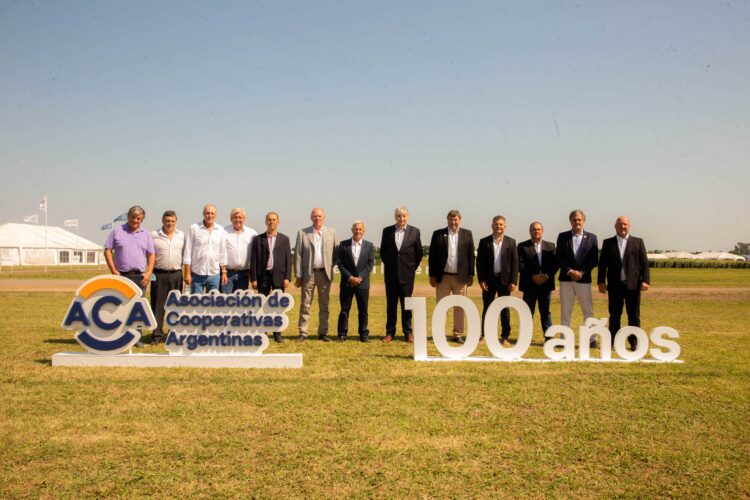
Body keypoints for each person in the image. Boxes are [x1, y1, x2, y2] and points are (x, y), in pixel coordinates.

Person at [104, 205, 155, 347]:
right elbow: (107, 250)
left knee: (137, 308)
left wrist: (148, 273)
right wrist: (113, 271)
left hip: (140, 277)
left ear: (142, 219)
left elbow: (152, 254)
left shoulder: (146, 234)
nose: (135, 220)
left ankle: (136, 338)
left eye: (139, 218)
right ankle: (118, 337)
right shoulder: (117, 231)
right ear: (128, 216)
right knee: (120, 306)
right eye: (133, 217)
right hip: (122, 276)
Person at [597, 216, 650, 351]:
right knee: (615, 315)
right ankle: (613, 342)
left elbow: (644, 263)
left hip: (633, 285)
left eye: (625, 224)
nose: (622, 227)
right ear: (615, 226)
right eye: (620, 224)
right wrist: (601, 282)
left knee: (633, 316)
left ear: (629, 226)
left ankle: (634, 343)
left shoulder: (638, 242)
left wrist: (646, 280)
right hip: (615, 285)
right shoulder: (608, 243)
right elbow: (602, 265)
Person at [428, 209, 475, 344]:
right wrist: (432, 275)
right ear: (447, 220)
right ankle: (439, 334)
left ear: (460, 220)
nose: (453, 222)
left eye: (455, 220)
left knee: (459, 307)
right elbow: (432, 256)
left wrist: (471, 274)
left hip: (461, 278)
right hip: (442, 277)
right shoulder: (438, 234)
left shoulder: (467, 234)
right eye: (450, 219)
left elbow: (471, 256)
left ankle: (457, 334)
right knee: (441, 306)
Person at [294, 207, 339, 342]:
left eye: (319, 216)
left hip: (324, 274)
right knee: (305, 304)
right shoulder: (303, 233)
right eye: (315, 216)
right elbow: (298, 255)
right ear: (311, 218)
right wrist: (298, 275)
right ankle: (303, 332)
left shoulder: (332, 232)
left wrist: (330, 267)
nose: (317, 218)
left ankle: (323, 332)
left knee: (324, 305)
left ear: (324, 217)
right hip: (308, 274)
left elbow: (336, 253)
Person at [379, 206, 423, 343]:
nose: (401, 218)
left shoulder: (415, 232)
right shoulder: (387, 231)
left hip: (407, 275)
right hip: (391, 275)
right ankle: (390, 332)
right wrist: (392, 266)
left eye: (404, 216)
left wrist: (410, 268)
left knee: (407, 305)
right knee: (391, 305)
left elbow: (419, 253)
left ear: (407, 217)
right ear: (395, 217)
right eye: (399, 216)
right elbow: (383, 252)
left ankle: (408, 332)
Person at [556, 209, 599, 347]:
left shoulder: (592, 237)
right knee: (565, 310)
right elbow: (559, 257)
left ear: (584, 221)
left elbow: (593, 259)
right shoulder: (562, 236)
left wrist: (581, 272)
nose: (577, 222)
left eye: (579, 219)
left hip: (583, 280)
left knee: (588, 310)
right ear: (570, 221)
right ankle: (564, 339)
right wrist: (569, 271)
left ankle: (591, 340)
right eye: (574, 220)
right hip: (566, 279)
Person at [249, 211, 292, 343]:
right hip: (263, 276)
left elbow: (288, 260)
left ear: (278, 221)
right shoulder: (258, 239)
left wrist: (287, 277)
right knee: (262, 305)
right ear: (265, 222)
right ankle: (263, 331)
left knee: (277, 306)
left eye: (274, 219)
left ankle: (277, 333)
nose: (271, 222)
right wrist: (253, 279)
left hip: (279, 276)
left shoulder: (284, 239)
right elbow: (253, 260)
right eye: (269, 219)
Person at [476, 215, 518, 347]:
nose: (498, 226)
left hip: (505, 280)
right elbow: (479, 263)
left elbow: (515, 263)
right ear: (492, 226)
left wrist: (513, 281)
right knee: (487, 307)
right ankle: (485, 334)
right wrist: (481, 279)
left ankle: (505, 336)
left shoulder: (511, 242)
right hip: (489, 280)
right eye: (496, 224)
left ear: (505, 227)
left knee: (504, 309)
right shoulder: (484, 242)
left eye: (501, 224)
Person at [517, 222, 558, 340]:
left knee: (545, 312)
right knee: (528, 311)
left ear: (542, 231)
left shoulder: (551, 246)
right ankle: (525, 337)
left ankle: (549, 337)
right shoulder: (522, 246)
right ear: (530, 231)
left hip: (546, 284)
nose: (536, 231)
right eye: (534, 229)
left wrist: (546, 276)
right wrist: (532, 276)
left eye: (539, 229)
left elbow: (555, 264)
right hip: (529, 284)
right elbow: (520, 264)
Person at [150, 210, 185, 345]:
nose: (170, 223)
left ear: (176, 222)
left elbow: (185, 254)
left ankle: (173, 333)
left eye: (172, 221)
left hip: (176, 274)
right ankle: (157, 335)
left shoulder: (181, 235)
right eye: (167, 221)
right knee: (158, 306)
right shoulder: (154, 235)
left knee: (175, 305)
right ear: (162, 221)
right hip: (159, 274)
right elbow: (149, 255)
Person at [336, 220, 375, 342]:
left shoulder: (369, 245)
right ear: (352, 230)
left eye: (360, 229)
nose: (357, 231)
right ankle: (342, 333)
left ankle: (363, 334)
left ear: (364, 231)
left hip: (363, 284)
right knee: (344, 309)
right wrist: (350, 278)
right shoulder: (343, 244)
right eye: (355, 229)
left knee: (363, 310)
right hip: (347, 283)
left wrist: (360, 278)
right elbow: (340, 263)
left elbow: (370, 264)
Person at [183, 204, 228, 293]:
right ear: (203, 214)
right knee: (196, 300)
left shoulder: (220, 230)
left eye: (212, 213)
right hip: (197, 273)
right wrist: (187, 273)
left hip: (214, 273)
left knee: (213, 301)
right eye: (207, 213)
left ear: (215, 215)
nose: (210, 215)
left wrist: (224, 272)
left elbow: (222, 253)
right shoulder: (194, 228)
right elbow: (187, 252)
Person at [222, 207, 257, 293]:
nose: (237, 220)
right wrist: (223, 272)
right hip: (227, 273)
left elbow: (255, 255)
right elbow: (221, 252)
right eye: (235, 217)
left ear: (244, 219)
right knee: (226, 299)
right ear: (231, 219)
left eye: (240, 217)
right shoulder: (223, 231)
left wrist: (252, 273)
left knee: (241, 300)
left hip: (244, 274)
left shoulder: (252, 233)